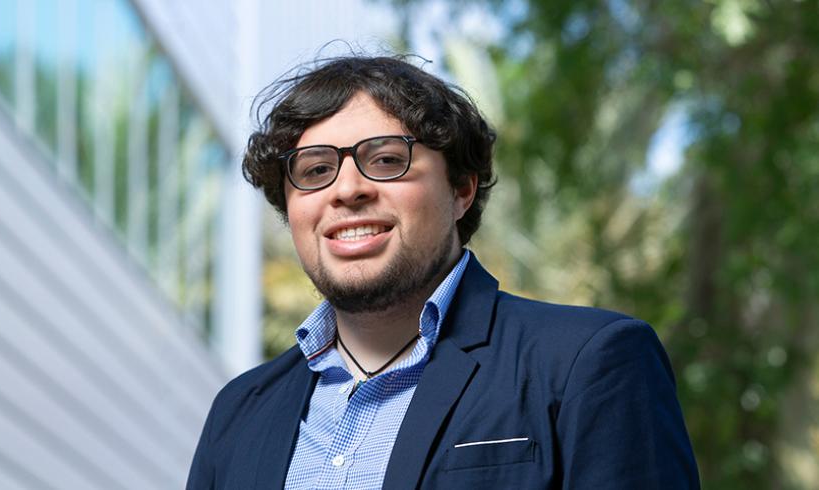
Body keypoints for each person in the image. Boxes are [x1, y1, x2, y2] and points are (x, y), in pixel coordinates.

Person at [186, 56, 699, 489]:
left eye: (386, 160)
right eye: (316, 170)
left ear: (461, 190)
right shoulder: (239, 412)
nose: (346, 190)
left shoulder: (590, 362)